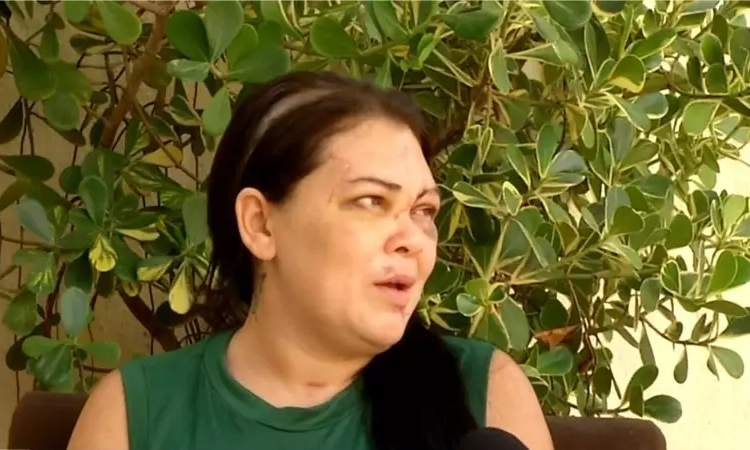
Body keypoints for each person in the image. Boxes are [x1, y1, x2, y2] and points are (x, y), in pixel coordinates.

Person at [67, 71, 554, 450]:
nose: (414, 240)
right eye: (370, 201)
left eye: (423, 210)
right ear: (260, 224)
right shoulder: (136, 414)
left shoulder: (484, 396)